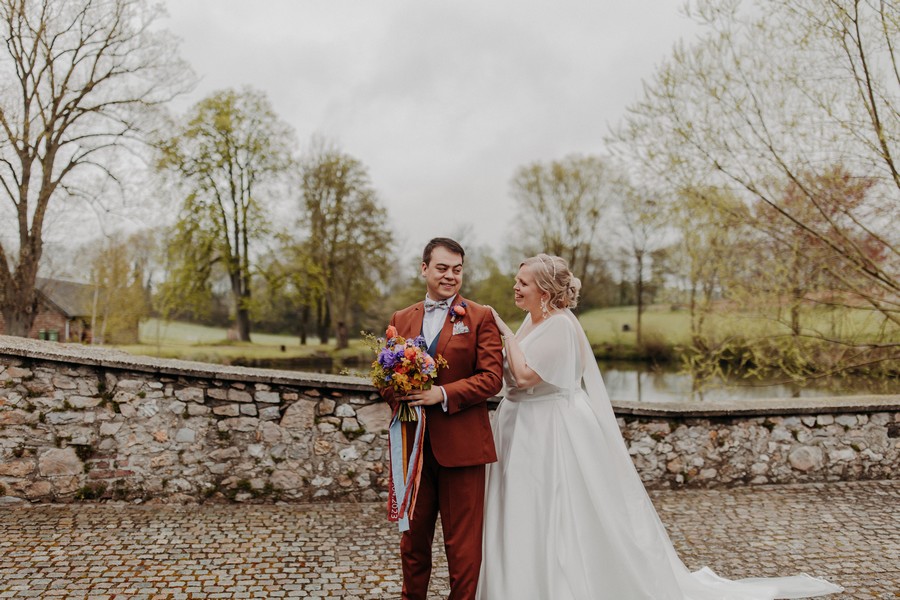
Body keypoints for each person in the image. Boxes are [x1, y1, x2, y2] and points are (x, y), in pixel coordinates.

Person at [476, 254, 843, 599]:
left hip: (550, 431)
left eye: (523, 283)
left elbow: (524, 376)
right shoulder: (533, 320)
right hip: (521, 426)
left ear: (545, 291)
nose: (515, 287)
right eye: (516, 281)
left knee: (555, 508)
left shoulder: (560, 326)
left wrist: (503, 331)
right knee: (524, 510)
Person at [381, 237, 504, 600]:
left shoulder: (480, 316)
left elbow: (491, 378)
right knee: (413, 542)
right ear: (424, 269)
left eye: (457, 269)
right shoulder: (400, 319)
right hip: (413, 451)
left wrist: (443, 394)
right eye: (442, 268)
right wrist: (397, 392)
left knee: (463, 549)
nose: (450, 276)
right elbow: (384, 379)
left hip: (463, 450)